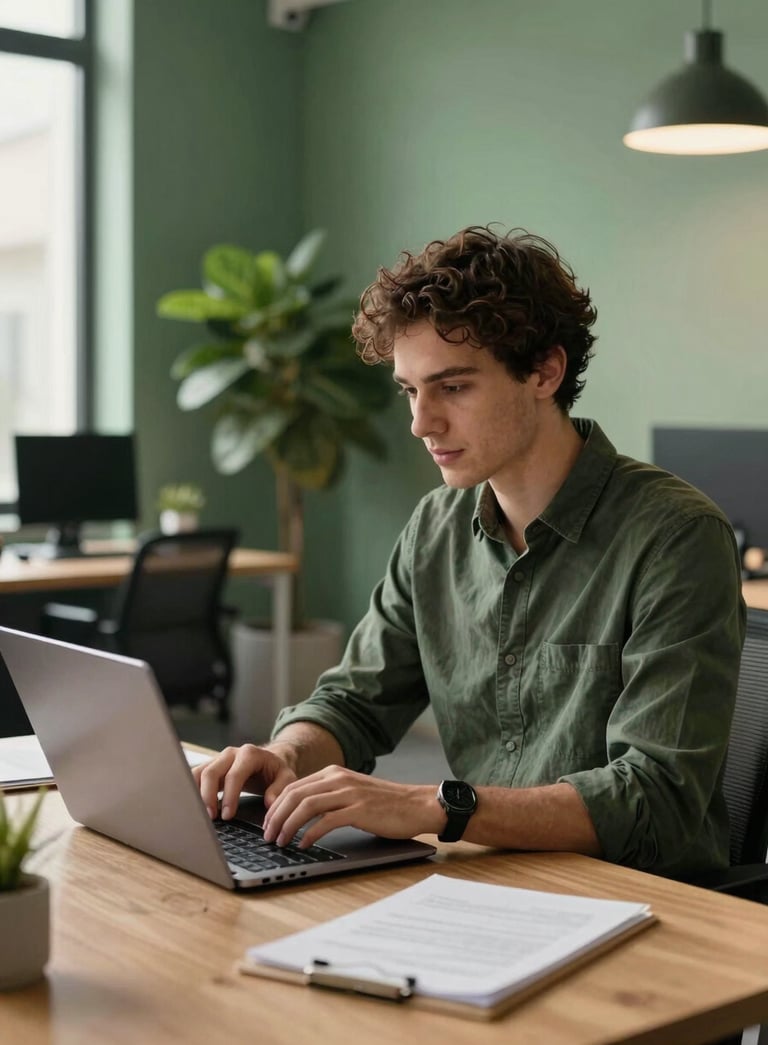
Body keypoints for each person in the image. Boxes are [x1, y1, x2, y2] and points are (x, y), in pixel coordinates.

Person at [195, 225, 745, 877]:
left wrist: (437, 805)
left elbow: (655, 799)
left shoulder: (674, 536)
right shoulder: (436, 527)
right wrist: (287, 753)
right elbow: (355, 701)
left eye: (452, 387)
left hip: (645, 899)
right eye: (409, 389)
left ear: (545, 370)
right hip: (489, 879)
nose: (420, 422)